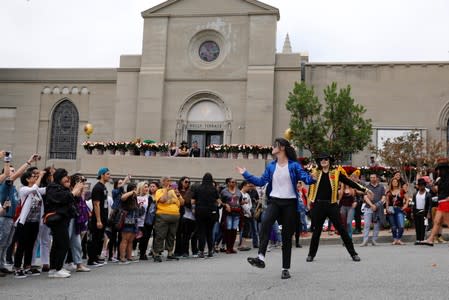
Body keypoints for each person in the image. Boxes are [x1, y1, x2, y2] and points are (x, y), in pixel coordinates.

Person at [237, 138, 315, 280]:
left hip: (290, 204)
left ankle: (285, 268)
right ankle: (261, 258)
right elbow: (261, 181)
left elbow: (306, 178)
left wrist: (313, 177)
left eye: (275, 145)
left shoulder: (294, 166)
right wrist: (246, 173)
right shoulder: (271, 166)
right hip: (274, 201)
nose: (272, 147)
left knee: (286, 236)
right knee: (265, 222)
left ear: (283, 148)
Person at [306, 153, 370, 263]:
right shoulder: (314, 172)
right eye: (321, 159)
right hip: (318, 205)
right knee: (316, 231)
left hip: (332, 205)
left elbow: (349, 182)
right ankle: (311, 255)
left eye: (326, 159)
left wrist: (364, 189)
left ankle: (353, 253)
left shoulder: (336, 173)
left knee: (342, 229)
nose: (323, 161)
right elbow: (305, 179)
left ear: (329, 161)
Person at [0, 153, 39, 276]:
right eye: (11, 171)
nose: (13, 173)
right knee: (1, 242)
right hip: (3, 218)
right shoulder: (5, 185)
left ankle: (2, 265)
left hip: (11, 218)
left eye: (13, 171)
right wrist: (28, 162)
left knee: (7, 243)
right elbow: (12, 175)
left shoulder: (13, 188)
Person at [44, 168, 84, 278]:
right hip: (57, 219)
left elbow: (72, 202)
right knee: (63, 244)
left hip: (63, 219)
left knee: (58, 244)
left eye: (67, 176)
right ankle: (57, 268)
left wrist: (77, 191)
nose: (67, 178)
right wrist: (73, 191)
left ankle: (54, 269)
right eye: (64, 176)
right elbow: (60, 199)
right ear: (58, 177)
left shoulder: (64, 188)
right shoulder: (52, 187)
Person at [13, 168, 46, 278]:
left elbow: (45, 190)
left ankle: (27, 266)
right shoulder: (23, 189)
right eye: (33, 176)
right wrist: (40, 176)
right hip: (24, 223)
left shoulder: (37, 190)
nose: (35, 177)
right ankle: (17, 268)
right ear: (27, 179)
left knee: (30, 245)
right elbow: (34, 188)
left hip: (35, 222)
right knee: (21, 245)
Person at [153, 177, 184, 262]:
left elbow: (182, 203)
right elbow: (163, 200)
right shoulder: (159, 191)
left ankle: (170, 253)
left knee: (171, 235)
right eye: (168, 181)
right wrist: (166, 190)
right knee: (160, 235)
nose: (170, 182)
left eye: (171, 181)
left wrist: (178, 195)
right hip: (163, 215)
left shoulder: (175, 191)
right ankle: (157, 254)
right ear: (163, 182)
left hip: (175, 216)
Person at [420, 158, 449, 246]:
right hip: (441, 201)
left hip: (446, 201)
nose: (438, 171)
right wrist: (430, 184)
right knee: (436, 221)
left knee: (447, 222)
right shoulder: (439, 179)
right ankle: (431, 239)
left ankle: (431, 239)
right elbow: (435, 190)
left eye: (440, 169)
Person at [192, 173, 221, 258]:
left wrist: (195, 207)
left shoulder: (198, 188)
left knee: (201, 232)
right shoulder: (214, 189)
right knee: (209, 232)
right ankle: (210, 251)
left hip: (200, 212)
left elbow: (193, 201)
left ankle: (201, 251)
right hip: (211, 212)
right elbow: (218, 200)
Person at [87, 167, 111, 267]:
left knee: (100, 238)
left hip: (104, 217)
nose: (109, 176)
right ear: (102, 175)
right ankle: (91, 260)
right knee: (94, 238)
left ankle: (96, 257)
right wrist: (98, 220)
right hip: (98, 218)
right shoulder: (97, 187)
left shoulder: (104, 187)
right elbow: (96, 204)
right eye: (108, 174)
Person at [360, 173, 386, 246]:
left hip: (378, 208)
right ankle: (365, 241)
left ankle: (374, 240)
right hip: (368, 208)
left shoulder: (381, 187)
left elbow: (383, 197)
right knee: (366, 225)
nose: (372, 179)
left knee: (377, 225)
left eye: (374, 177)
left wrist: (377, 205)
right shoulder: (367, 187)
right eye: (371, 177)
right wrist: (372, 205)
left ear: (376, 178)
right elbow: (365, 197)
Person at [220, 178, 242, 254]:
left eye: (235, 182)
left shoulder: (238, 191)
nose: (234, 183)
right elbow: (220, 201)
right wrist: (225, 205)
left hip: (237, 213)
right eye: (232, 182)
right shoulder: (224, 191)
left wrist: (243, 202)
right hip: (228, 213)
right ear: (228, 183)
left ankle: (232, 247)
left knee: (234, 229)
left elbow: (240, 201)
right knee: (228, 229)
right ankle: (228, 248)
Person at [385, 178, 409, 245]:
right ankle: (395, 239)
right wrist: (387, 209)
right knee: (393, 226)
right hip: (391, 209)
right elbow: (387, 202)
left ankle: (399, 239)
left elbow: (407, 199)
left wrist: (405, 205)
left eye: (396, 182)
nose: (395, 183)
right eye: (393, 182)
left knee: (401, 226)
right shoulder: (388, 192)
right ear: (391, 183)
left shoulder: (402, 191)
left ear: (398, 183)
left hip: (399, 209)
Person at [412, 179, 431, 244]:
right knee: (417, 226)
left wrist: (428, 213)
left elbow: (430, 205)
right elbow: (413, 203)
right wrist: (412, 211)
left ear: (424, 186)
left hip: (424, 212)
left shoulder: (428, 194)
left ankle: (422, 239)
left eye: (422, 185)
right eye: (419, 185)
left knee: (423, 226)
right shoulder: (415, 194)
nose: (421, 187)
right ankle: (418, 239)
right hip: (416, 211)